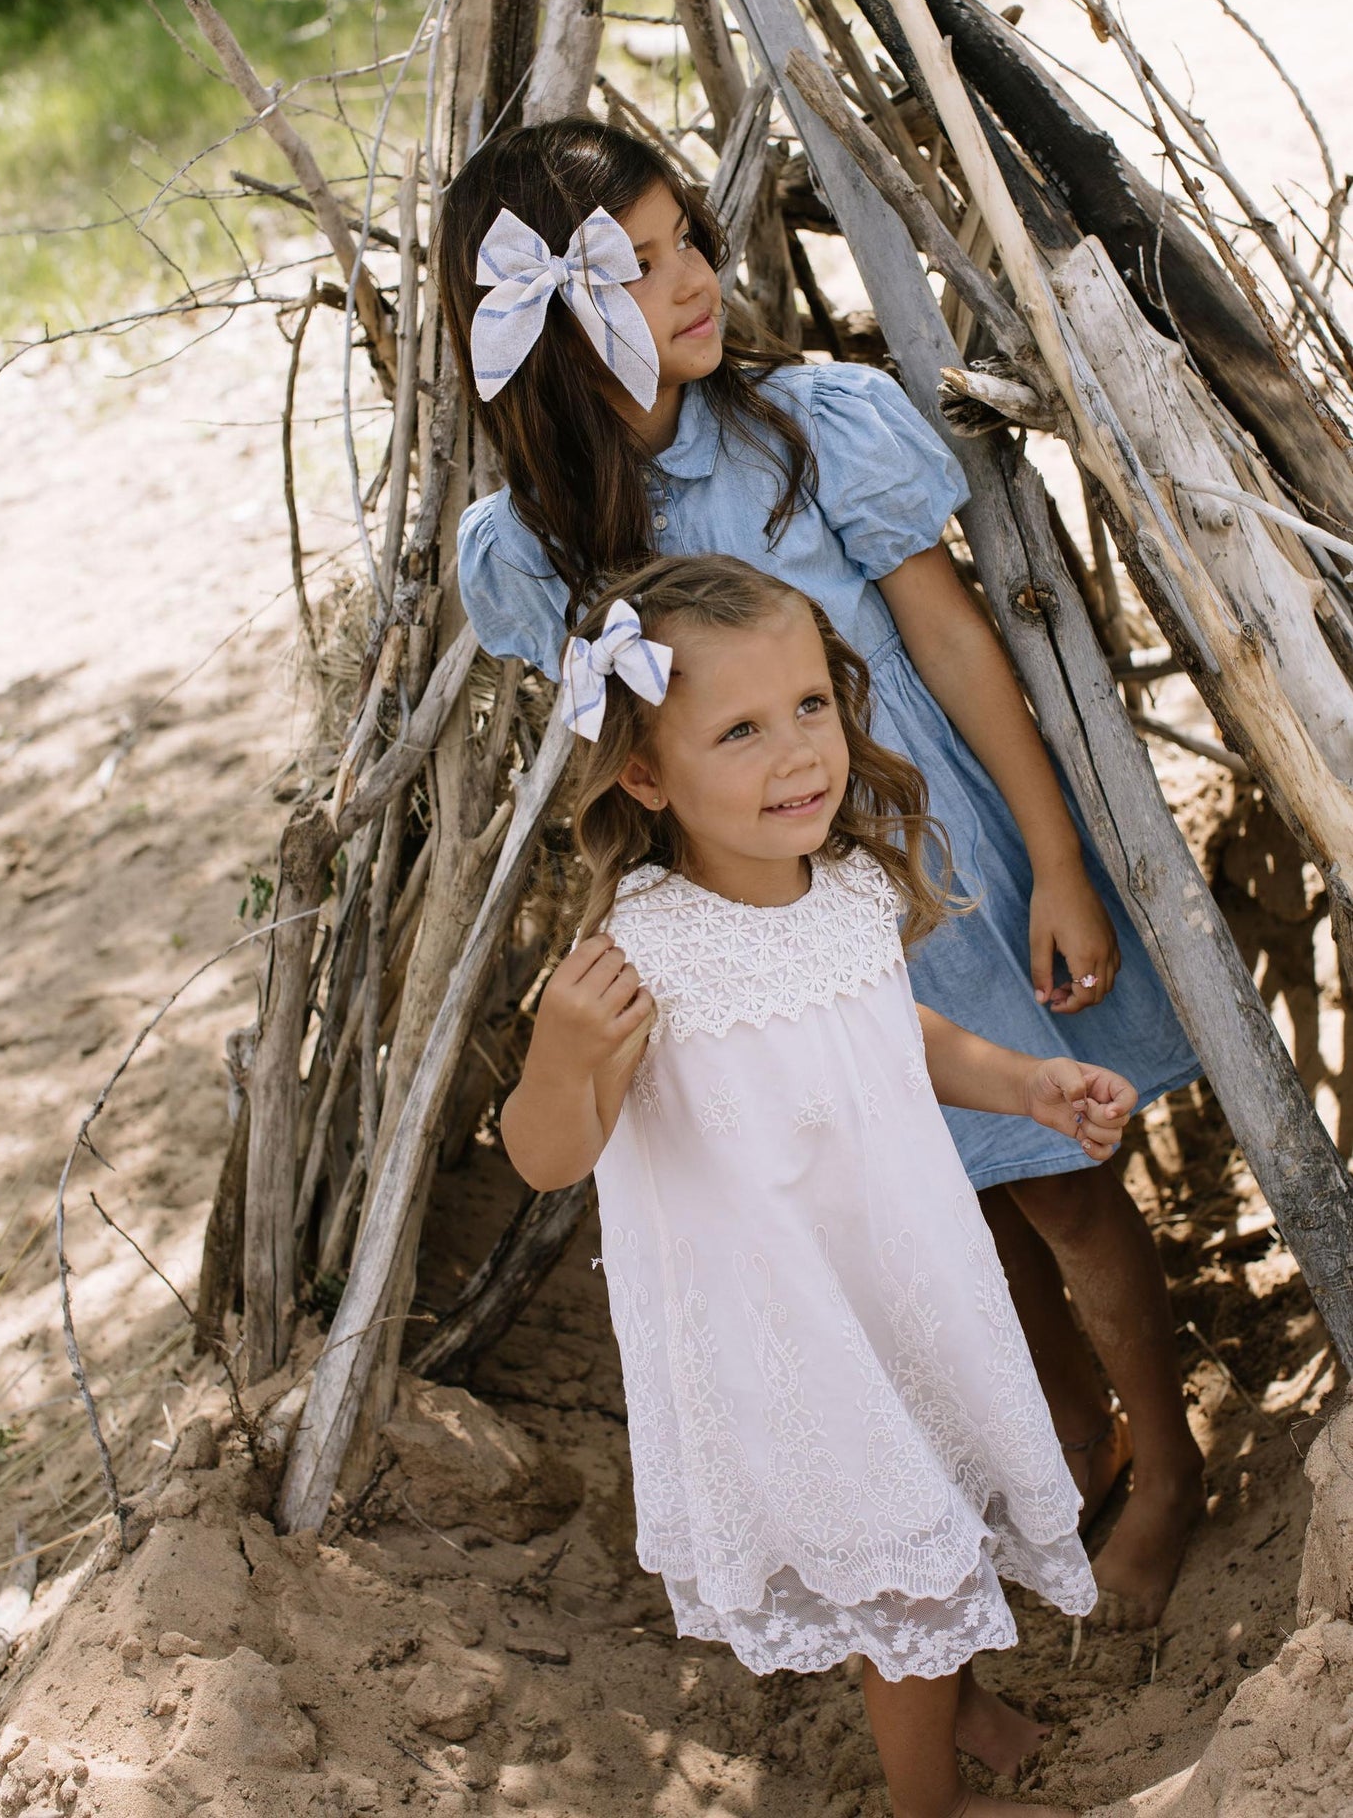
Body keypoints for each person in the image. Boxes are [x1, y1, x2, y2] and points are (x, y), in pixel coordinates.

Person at [438, 117, 1206, 1627]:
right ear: (547, 322)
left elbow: (952, 642)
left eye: (689, 246)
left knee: (1049, 1178)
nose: (690, 284)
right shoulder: (529, 545)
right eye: (640, 267)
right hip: (777, 916)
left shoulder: (811, 424)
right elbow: (629, 769)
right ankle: (1068, 1441)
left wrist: (1052, 857)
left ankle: (1171, 1463)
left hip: (938, 870)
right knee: (931, 1196)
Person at [505, 554, 1128, 1817]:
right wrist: (560, 1056)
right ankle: (924, 1803)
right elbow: (548, 1156)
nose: (797, 753)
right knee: (898, 1563)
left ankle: (952, 1700)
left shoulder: (840, 883)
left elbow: (884, 1031)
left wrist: (1025, 1084)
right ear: (643, 771)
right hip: (783, 1324)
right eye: (738, 730)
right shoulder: (642, 948)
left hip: (892, 1269)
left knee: (931, 1489)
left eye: (808, 706)